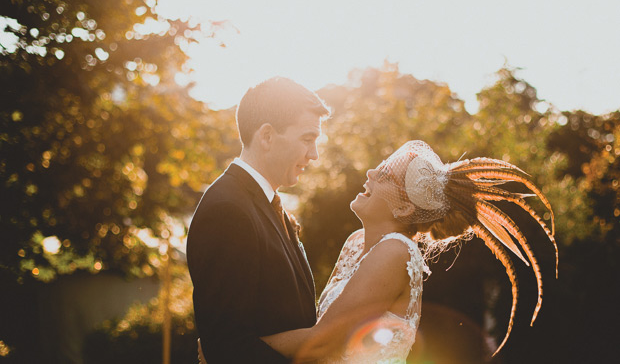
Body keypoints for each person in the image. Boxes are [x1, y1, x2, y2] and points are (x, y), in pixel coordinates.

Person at [218, 140, 557, 363]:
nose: (369, 173)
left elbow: (320, 343)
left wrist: (229, 347)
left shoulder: (395, 253)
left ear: (405, 211)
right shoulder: (356, 243)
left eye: (384, 177)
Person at [186, 77, 330, 363]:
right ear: (266, 136)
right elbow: (229, 346)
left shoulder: (264, 205)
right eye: (307, 139)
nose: (313, 155)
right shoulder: (228, 211)